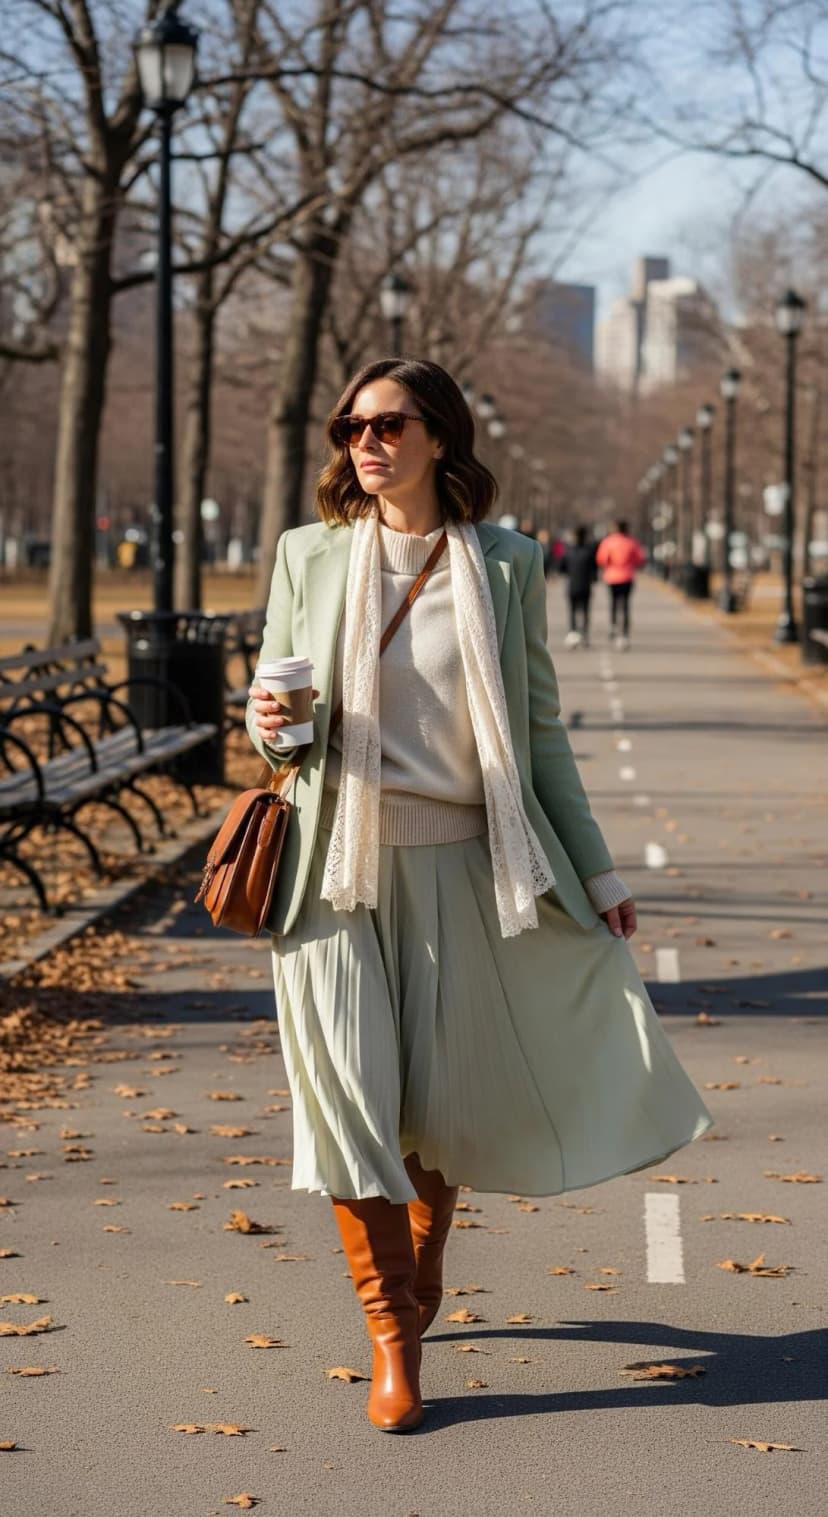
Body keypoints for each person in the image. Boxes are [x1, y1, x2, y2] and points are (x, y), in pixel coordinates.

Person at [246, 358, 712, 1435]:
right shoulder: (307, 554)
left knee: (431, 1108)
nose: (366, 442)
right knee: (353, 1100)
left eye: (388, 423)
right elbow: (276, 719)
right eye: (351, 425)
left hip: (461, 863)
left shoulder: (504, 565)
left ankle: (424, 1257)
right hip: (332, 870)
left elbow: (539, 733)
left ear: (440, 437)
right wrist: (269, 724)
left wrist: (596, 870)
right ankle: (394, 1336)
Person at [595, 518, 647, 649]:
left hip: (611, 577)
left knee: (613, 603)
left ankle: (613, 626)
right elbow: (639, 559)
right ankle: (624, 633)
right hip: (627, 577)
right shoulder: (632, 542)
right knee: (625, 605)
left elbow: (602, 559)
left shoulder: (608, 542)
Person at [559, 525, 598, 647]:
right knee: (585, 611)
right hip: (585, 586)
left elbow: (561, 568)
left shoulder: (568, 551)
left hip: (572, 585)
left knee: (572, 610)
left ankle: (573, 632)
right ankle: (584, 634)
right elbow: (594, 569)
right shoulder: (589, 551)